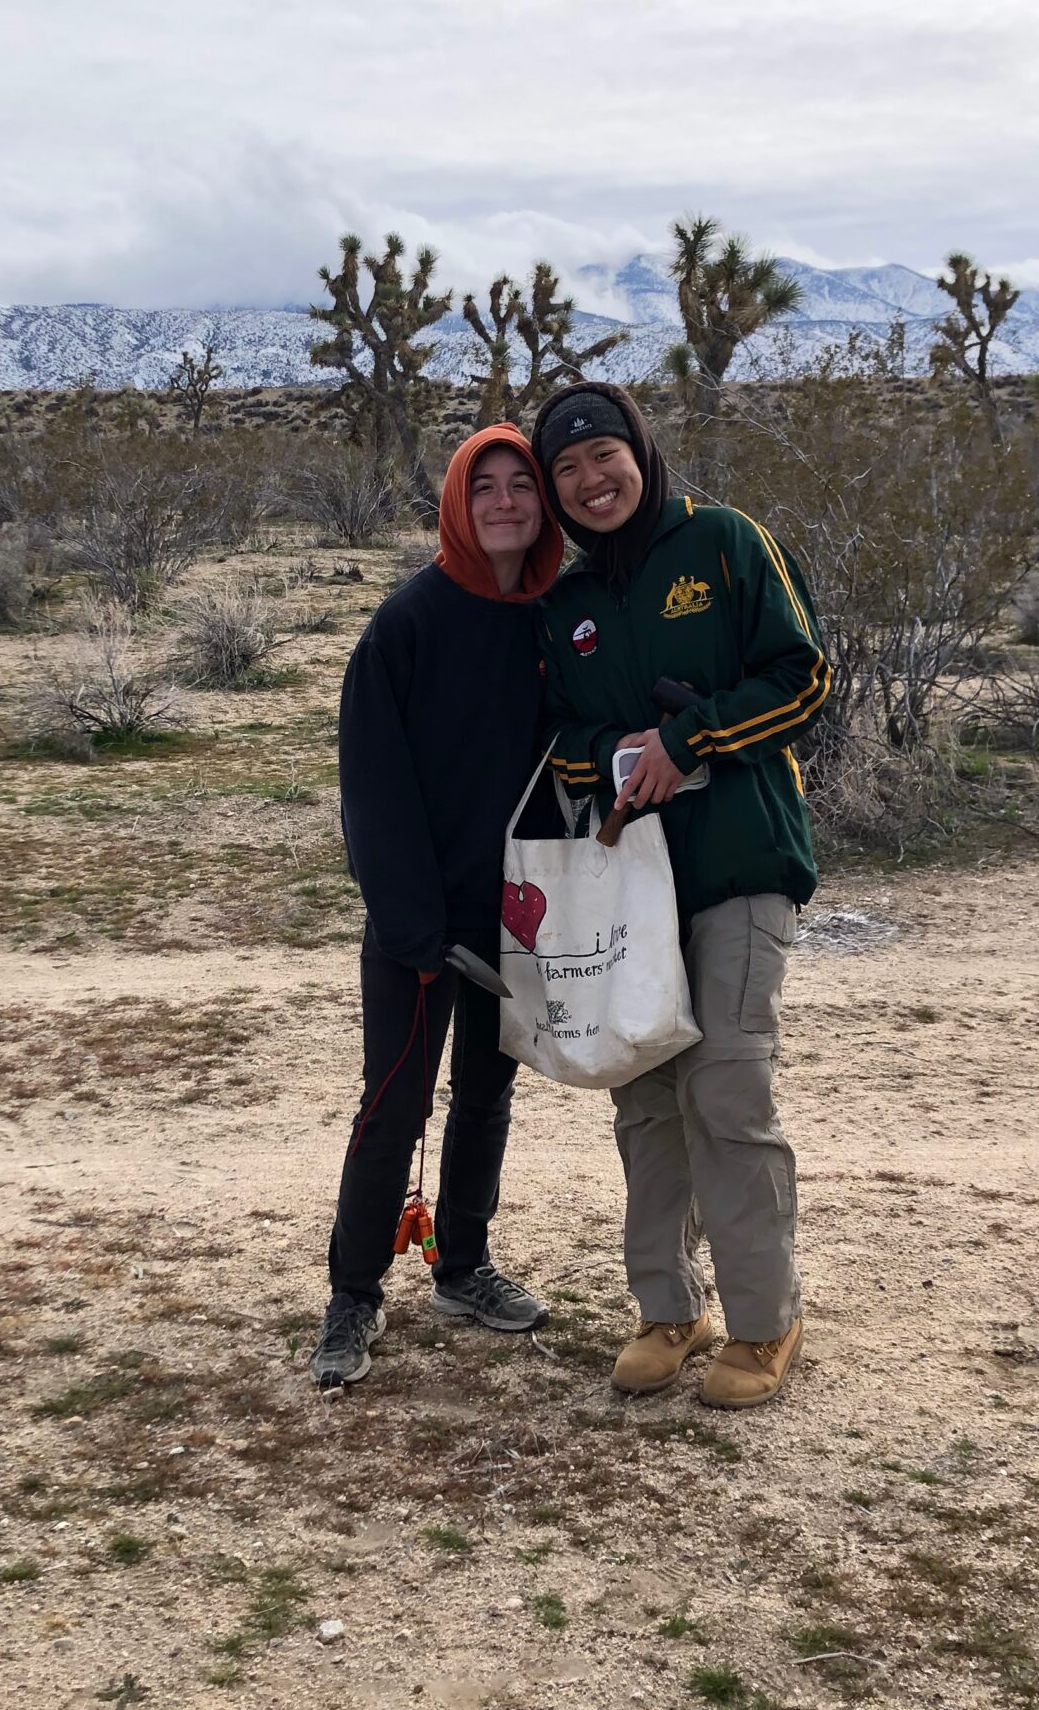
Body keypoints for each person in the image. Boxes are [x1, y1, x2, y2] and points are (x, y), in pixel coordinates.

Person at [530, 381, 830, 1410]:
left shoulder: (723, 543)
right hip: (628, 886)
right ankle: (668, 1309)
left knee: (725, 1087)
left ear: (639, 452)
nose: (588, 480)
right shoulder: (563, 606)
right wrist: (599, 755)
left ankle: (764, 1320)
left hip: (741, 860)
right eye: (565, 468)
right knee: (645, 1095)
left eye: (602, 455)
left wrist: (689, 739)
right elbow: (554, 742)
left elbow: (803, 678)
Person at [311, 423, 567, 1390]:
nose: (504, 502)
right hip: (419, 924)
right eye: (484, 486)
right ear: (457, 503)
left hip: (519, 916)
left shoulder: (556, 621)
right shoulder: (407, 623)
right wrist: (412, 926)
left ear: (543, 505)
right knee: (394, 1105)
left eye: (521, 487)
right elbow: (373, 787)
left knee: (489, 1096)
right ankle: (353, 1295)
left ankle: (463, 1268)